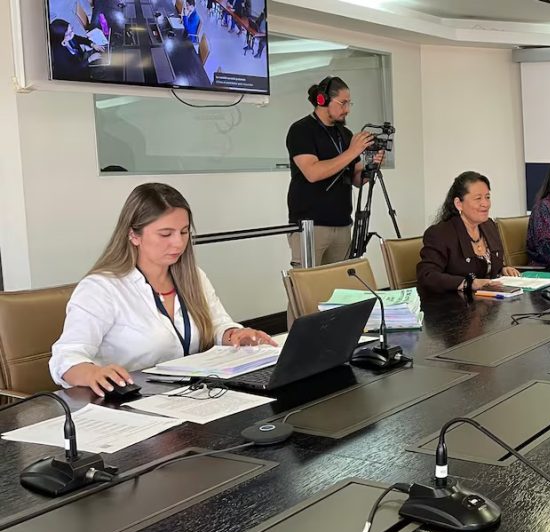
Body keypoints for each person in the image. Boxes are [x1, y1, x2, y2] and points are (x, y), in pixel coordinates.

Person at [49, 183, 275, 396]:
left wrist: (233, 335)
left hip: (190, 395)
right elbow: (66, 357)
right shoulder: (102, 288)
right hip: (131, 402)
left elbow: (217, 324)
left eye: (184, 232)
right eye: (165, 234)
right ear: (133, 235)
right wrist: (92, 373)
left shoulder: (193, 276)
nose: (178, 243)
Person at [285, 77, 381, 267]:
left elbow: (356, 178)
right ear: (323, 100)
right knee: (307, 284)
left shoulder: (344, 134)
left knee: (342, 283)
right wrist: (353, 151)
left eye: (349, 103)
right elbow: (312, 172)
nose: (347, 109)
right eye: (343, 103)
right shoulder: (301, 130)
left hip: (342, 224)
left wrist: (372, 167)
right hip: (311, 226)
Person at [417, 171, 520, 293]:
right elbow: (427, 276)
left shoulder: (489, 226)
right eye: (478, 198)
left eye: (487, 197)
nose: (485, 204)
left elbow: (487, 266)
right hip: (455, 301)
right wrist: (468, 283)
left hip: (490, 300)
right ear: (459, 204)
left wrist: (502, 270)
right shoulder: (440, 234)